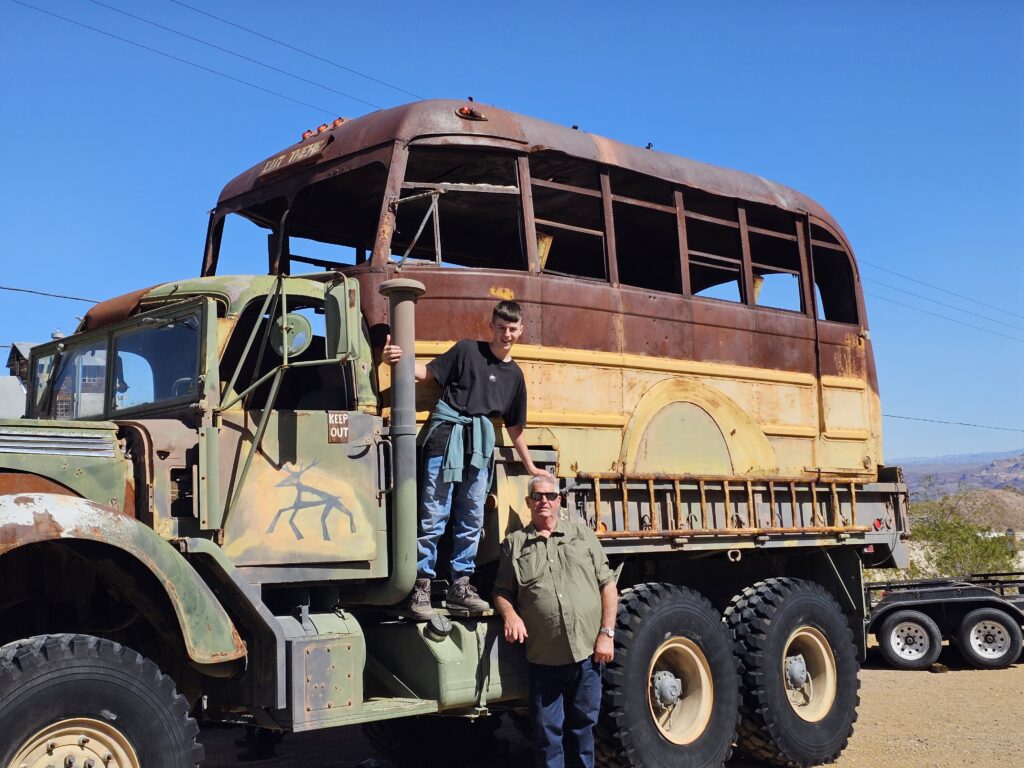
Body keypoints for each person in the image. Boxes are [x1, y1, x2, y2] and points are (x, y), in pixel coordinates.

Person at [382, 300, 545, 620]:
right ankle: (421, 585)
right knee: (433, 516)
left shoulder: (515, 376)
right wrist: (398, 361)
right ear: (491, 326)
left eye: (512, 329)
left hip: (479, 450)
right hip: (446, 441)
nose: (506, 334)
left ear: (521, 330)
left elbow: (515, 428)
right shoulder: (467, 350)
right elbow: (428, 373)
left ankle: (461, 586)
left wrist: (530, 465)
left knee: (471, 519)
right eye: (501, 327)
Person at [493, 473, 619, 768]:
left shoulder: (582, 535)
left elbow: (608, 585)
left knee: (581, 731)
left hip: (587, 655)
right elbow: (501, 591)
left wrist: (607, 633)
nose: (544, 501)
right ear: (529, 502)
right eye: (537, 496)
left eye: (550, 496)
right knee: (548, 738)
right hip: (544, 660)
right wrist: (510, 614)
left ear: (559, 500)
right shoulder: (515, 544)